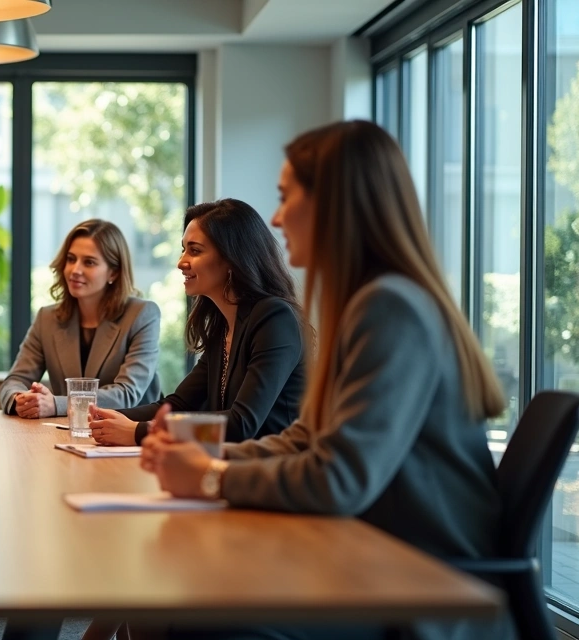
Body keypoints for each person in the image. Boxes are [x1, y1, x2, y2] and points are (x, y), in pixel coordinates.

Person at [137, 120, 510, 640]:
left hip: (419, 585)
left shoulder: (389, 308)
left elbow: (338, 479)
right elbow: (305, 439)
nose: (275, 216)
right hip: (374, 556)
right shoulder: (365, 304)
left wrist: (208, 476)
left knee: (194, 613)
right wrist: (207, 460)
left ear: (334, 205)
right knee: (178, 598)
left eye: (286, 196)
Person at [86, 199, 306, 446]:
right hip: (229, 468)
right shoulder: (223, 326)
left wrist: (140, 431)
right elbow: (178, 405)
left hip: (271, 475)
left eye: (195, 250)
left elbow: (241, 424)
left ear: (232, 259)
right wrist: (106, 418)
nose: (181, 262)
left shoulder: (275, 318)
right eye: (183, 249)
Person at [0, 219, 160, 418]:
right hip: (66, 433)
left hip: (130, 436)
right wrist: (21, 399)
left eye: (89, 262)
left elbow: (126, 394)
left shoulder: (143, 314)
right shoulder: (47, 318)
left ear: (114, 272)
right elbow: (15, 379)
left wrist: (57, 404)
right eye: (71, 259)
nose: (75, 270)